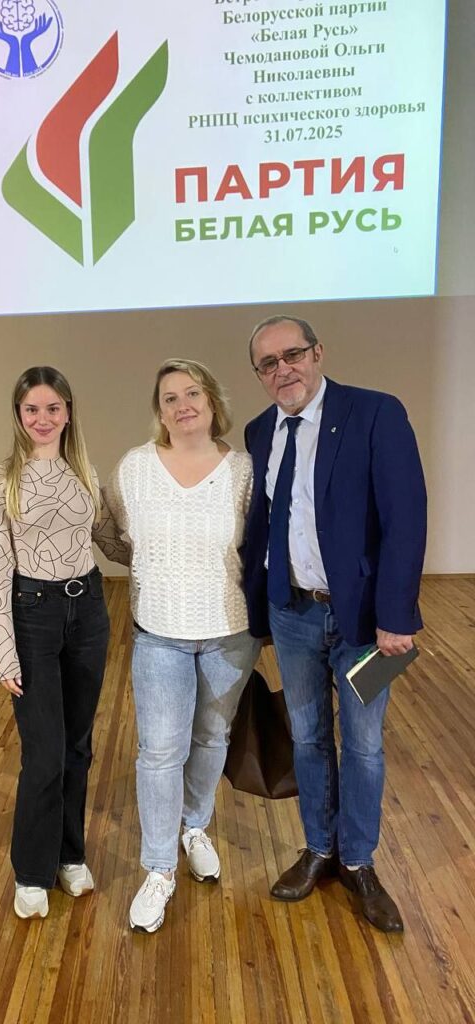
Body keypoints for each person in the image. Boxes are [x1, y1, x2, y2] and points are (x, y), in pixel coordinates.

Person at [243, 315, 426, 932]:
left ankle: (358, 861)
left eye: (292, 354)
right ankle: (319, 848)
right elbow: (262, 527)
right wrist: (258, 611)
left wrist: (396, 617)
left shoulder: (375, 413)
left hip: (365, 622)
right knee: (308, 737)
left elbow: (405, 519)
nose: (283, 370)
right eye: (268, 363)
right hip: (292, 613)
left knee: (364, 743)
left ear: (318, 353)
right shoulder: (260, 431)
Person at [103, 358, 260, 934]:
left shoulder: (243, 471)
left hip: (230, 632)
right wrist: (155, 571)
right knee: (159, 752)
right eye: (170, 398)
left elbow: (258, 547)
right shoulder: (135, 468)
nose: (183, 405)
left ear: (212, 401)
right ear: (160, 411)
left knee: (212, 736)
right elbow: (113, 534)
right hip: (159, 633)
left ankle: (195, 827)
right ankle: (159, 868)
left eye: (192, 393)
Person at [0, 366, 126, 920]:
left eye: (53, 408)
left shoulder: (84, 471)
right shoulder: (0, 479)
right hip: (33, 615)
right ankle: (32, 870)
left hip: (87, 610)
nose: (42, 419)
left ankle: (70, 855)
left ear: (68, 412)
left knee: (78, 746)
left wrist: (169, 553)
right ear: (18, 415)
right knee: (44, 752)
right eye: (32, 410)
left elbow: (111, 541)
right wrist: (5, 647)